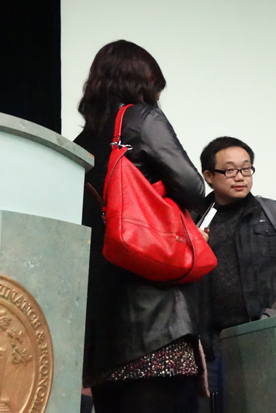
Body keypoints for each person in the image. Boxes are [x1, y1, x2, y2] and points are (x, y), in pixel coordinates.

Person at [74, 40, 205, 413]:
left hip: (103, 334)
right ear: (141, 83)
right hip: (156, 323)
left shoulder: (80, 143)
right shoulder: (143, 119)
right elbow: (193, 188)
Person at [195, 137, 276, 412]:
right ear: (209, 176)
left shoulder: (274, 213)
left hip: (267, 334)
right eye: (230, 170)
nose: (240, 177)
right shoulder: (191, 218)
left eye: (246, 169)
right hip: (213, 344)